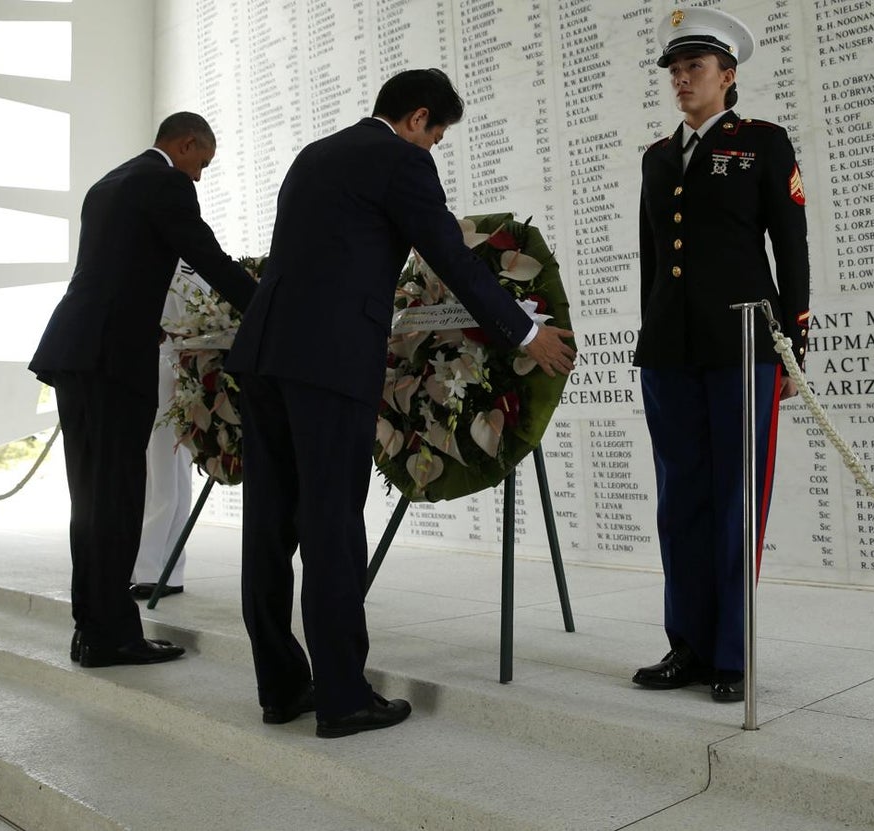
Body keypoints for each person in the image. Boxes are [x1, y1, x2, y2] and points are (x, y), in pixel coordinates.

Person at [226, 69, 577, 738]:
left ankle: (281, 686)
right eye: (436, 135)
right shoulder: (400, 160)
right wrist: (527, 333)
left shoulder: (315, 154)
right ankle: (342, 697)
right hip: (330, 363)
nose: (432, 147)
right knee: (331, 526)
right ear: (418, 118)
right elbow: (451, 257)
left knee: (268, 528)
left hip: (265, 355)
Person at [30, 113, 255, 668]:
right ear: (185, 144)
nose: (199, 176)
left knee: (91, 500)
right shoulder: (165, 182)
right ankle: (112, 637)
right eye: (202, 162)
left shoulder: (108, 184)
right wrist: (268, 306)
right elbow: (207, 257)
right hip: (112, 360)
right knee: (119, 499)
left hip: (74, 352)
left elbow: (117, 273)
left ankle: (92, 630)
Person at [632, 9, 810, 702]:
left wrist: (792, 345)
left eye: (695, 68)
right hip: (669, 351)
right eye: (675, 70)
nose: (682, 79)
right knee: (680, 500)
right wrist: (650, 333)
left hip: (742, 344)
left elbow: (790, 247)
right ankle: (688, 644)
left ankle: (732, 654)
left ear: (728, 75)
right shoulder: (656, 156)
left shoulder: (762, 143)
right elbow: (652, 260)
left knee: (737, 500)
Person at [128, 265, 198, 601]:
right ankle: (155, 566)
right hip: (153, 365)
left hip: (170, 368)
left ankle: (155, 568)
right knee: (156, 475)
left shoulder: (184, 266)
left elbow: (190, 318)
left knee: (166, 473)